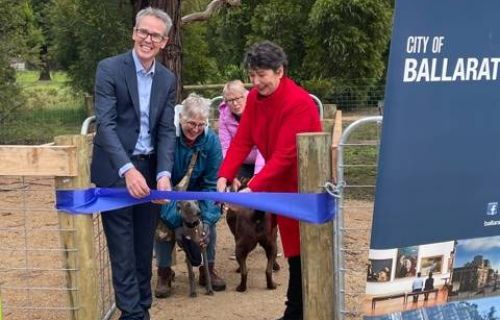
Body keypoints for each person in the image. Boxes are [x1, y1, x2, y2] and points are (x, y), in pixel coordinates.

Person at [216, 40, 322, 320]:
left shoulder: (298, 103)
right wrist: (225, 174)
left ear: (280, 71)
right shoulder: (252, 99)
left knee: (303, 250)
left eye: (261, 75)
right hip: (278, 186)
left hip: (302, 188)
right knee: (291, 250)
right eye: (252, 75)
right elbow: (242, 139)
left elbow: (286, 154)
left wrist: (253, 187)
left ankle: (297, 310)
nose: (256, 82)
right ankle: (296, 309)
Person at [90, 7, 176, 320]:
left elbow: (167, 130)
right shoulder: (109, 69)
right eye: (143, 31)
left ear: (164, 41)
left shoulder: (167, 79)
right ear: (133, 32)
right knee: (122, 250)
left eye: (155, 35)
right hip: (115, 173)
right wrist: (127, 170)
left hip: (150, 172)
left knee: (143, 249)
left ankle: (142, 309)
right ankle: (132, 313)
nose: (147, 39)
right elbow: (106, 124)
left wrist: (164, 174)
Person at [154, 93, 226, 298]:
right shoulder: (167, 136)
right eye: (191, 123)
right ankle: (164, 272)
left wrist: (204, 218)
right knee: (164, 226)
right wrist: (178, 220)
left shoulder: (211, 141)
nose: (195, 129)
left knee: (206, 226)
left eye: (201, 124)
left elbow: (212, 182)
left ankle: (207, 269)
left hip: (199, 193)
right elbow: (160, 180)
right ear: (181, 119)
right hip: (169, 190)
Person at [218, 79, 265, 183]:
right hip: (240, 162)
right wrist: (230, 173)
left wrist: (257, 175)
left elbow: (262, 147)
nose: (235, 103)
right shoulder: (224, 115)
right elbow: (226, 147)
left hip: (263, 160)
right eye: (230, 100)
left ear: (245, 96)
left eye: (238, 98)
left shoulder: (258, 109)